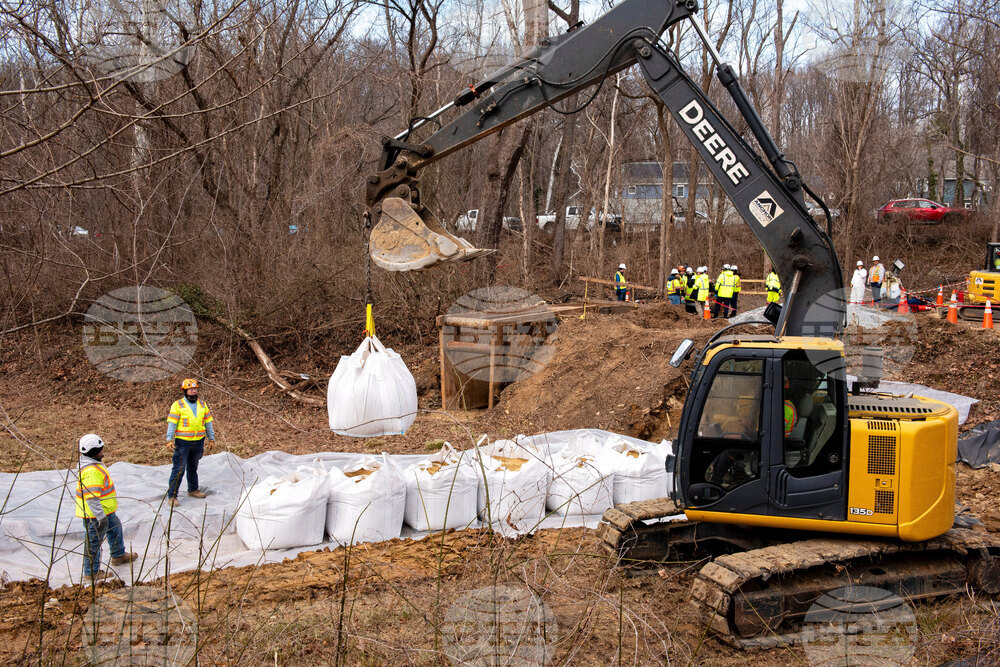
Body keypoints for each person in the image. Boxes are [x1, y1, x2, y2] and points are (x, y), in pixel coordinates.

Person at [76, 434, 136, 579]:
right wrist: (100, 516)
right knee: (93, 542)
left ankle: (118, 555)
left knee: (115, 529)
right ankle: (91, 572)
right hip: (95, 515)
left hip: (106, 511)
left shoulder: (93, 465)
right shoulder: (91, 471)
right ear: (97, 451)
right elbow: (91, 498)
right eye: (102, 449)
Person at [166, 378, 216, 505]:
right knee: (179, 469)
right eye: (191, 389)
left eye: (195, 389)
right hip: (183, 443)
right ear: (185, 391)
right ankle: (172, 496)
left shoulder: (202, 404)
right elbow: (172, 423)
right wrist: (169, 439)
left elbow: (208, 422)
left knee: (193, 467)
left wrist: (211, 438)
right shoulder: (178, 405)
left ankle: (193, 489)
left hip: (198, 442)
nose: (194, 391)